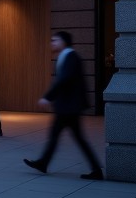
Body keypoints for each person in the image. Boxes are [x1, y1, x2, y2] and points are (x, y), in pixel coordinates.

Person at [24, 31, 104, 180]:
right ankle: (44, 163)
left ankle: (44, 163)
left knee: (63, 136)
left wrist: (48, 97)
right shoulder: (65, 56)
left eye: (55, 40)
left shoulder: (71, 57)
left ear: (63, 41)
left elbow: (64, 79)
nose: (52, 43)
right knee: (69, 137)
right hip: (67, 106)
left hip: (69, 107)